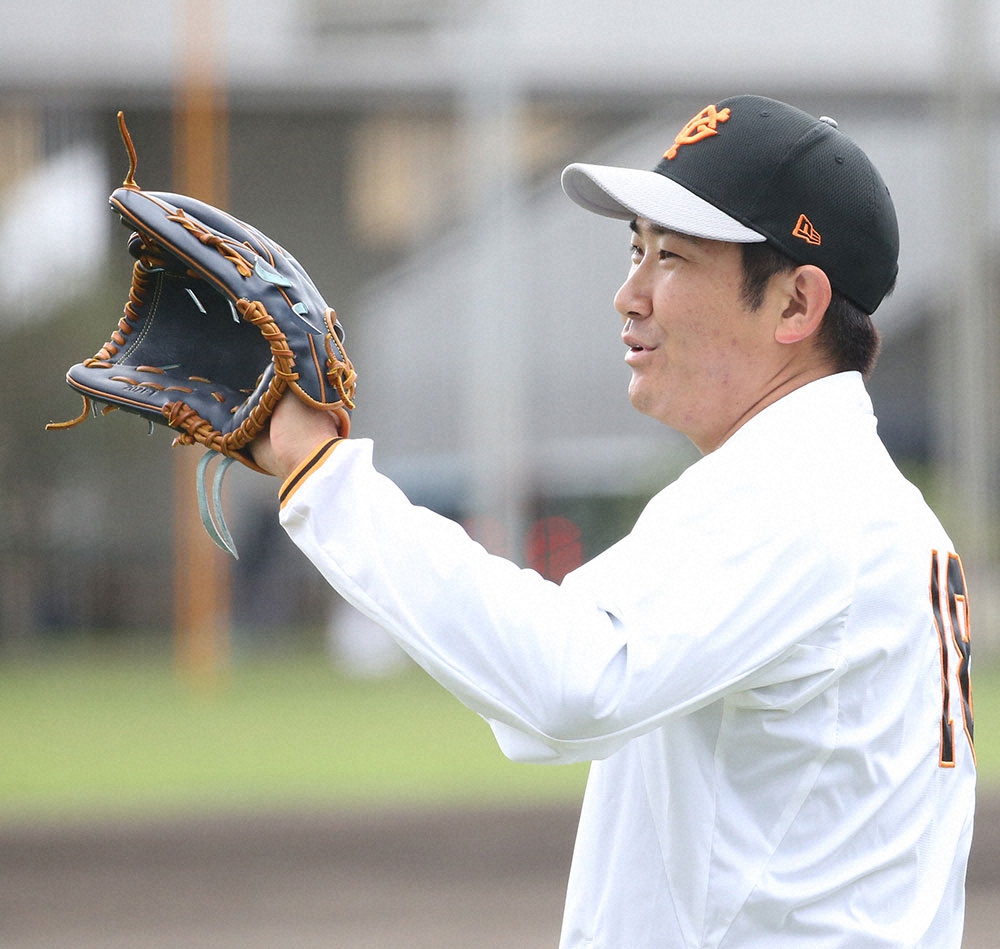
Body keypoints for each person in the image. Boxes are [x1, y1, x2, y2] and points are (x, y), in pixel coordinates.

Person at [251, 95, 976, 948]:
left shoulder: (800, 495)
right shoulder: (863, 499)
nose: (628, 294)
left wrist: (321, 476)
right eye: (636, 249)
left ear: (795, 304)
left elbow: (569, 683)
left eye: (671, 256)